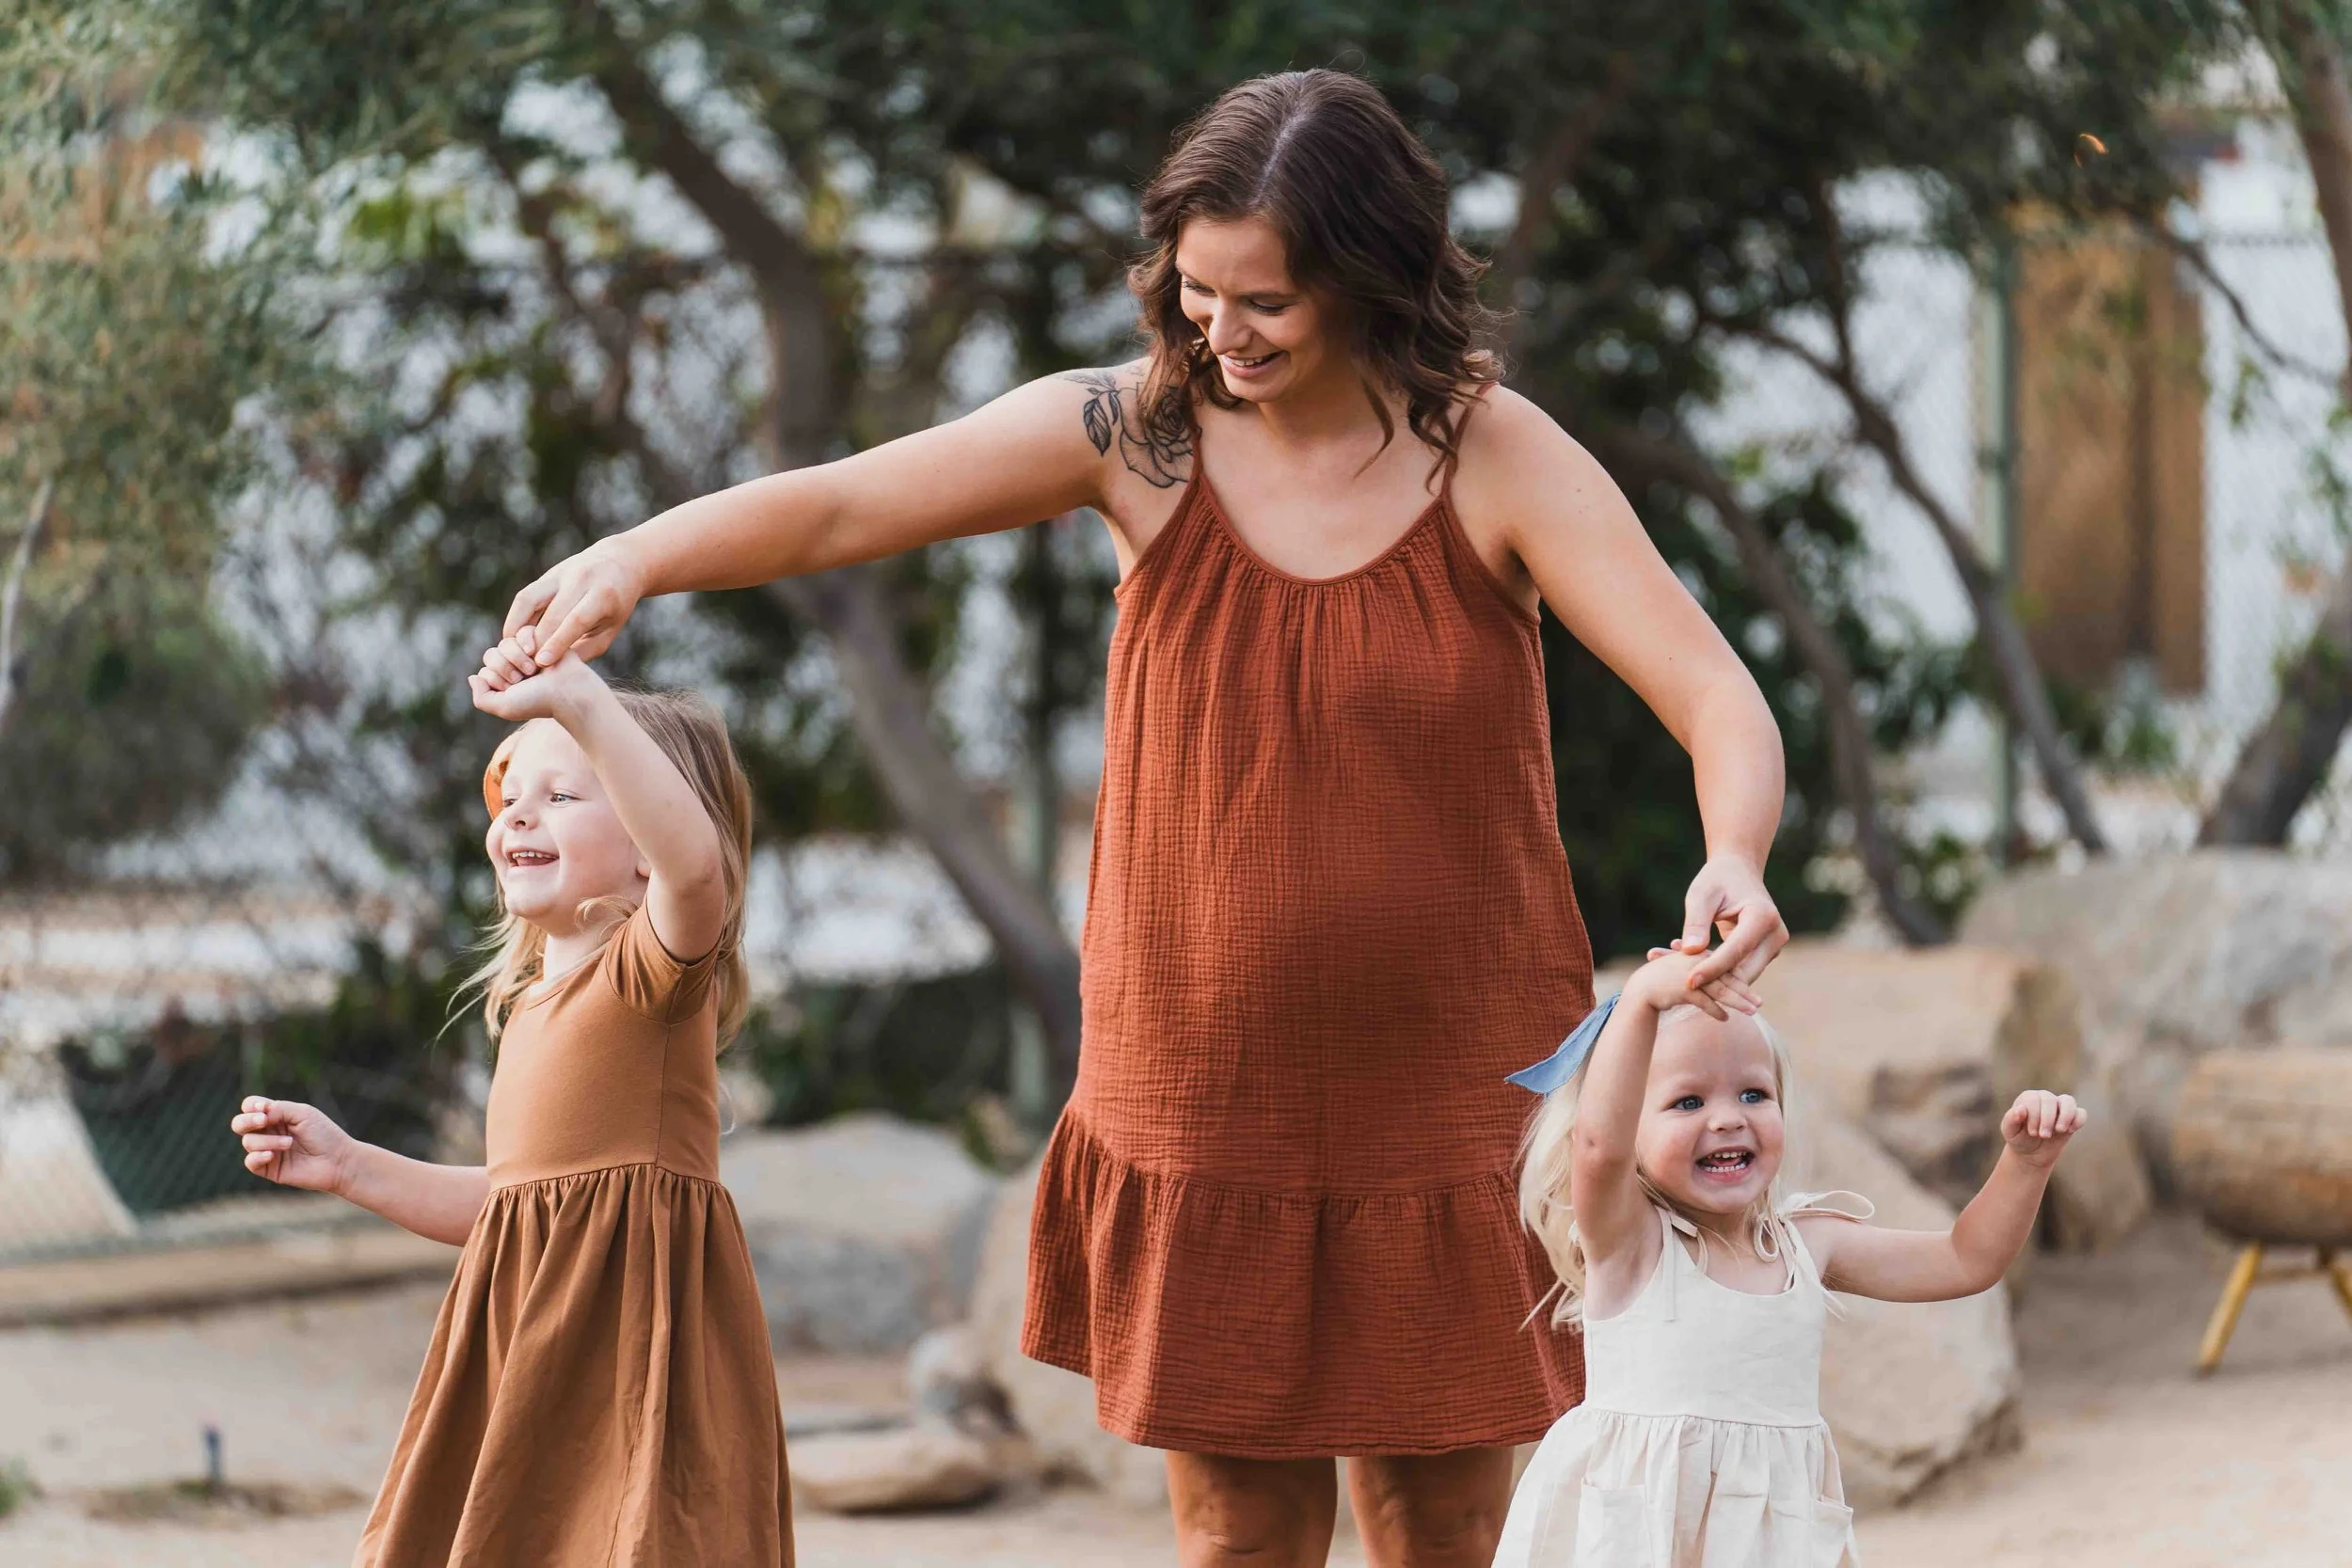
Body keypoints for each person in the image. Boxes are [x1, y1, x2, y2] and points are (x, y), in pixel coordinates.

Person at [498, 67, 1787, 1568]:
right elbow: (845, 504)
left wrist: (1736, 851)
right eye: (1197, 290)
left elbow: (1714, 691)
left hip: (1455, 1090)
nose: (1221, 332)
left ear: (1372, 280)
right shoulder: (1131, 433)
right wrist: (635, 558)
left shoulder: (1489, 452)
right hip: (1204, 1087)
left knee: (1445, 1524)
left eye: (1268, 302)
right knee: (1235, 1532)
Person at [228, 636, 791, 1567]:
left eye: (562, 795)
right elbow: (514, 1212)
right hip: (532, 1355)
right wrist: (350, 1165)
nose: (520, 814)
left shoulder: (651, 977)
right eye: (512, 796)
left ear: (646, 848)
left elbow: (697, 870)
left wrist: (581, 699)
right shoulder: (532, 1007)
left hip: (630, 1367)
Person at [1494, 946, 2086, 1567]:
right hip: (1640, 1542)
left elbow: (1966, 1260)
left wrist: (2026, 1165)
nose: (1728, 1119)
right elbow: (1597, 1150)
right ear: (1630, 1132)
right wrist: (1640, 1001)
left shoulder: (1808, 1243)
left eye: (1754, 1093)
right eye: (1688, 1102)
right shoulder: (1632, 1246)